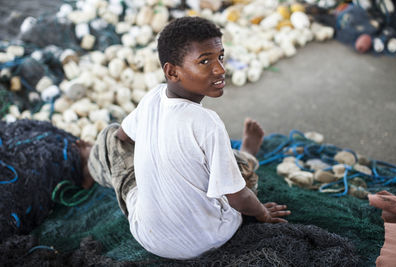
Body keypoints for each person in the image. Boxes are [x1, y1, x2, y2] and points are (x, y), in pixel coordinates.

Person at [78, 16, 290, 260]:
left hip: (149, 237)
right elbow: (237, 197)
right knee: (234, 166)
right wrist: (262, 213)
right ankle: (249, 154)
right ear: (172, 71)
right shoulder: (207, 123)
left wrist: (157, 146)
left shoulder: (151, 99)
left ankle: (90, 163)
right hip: (212, 237)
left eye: (220, 56)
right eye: (205, 61)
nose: (220, 69)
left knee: (108, 137)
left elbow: (122, 137)